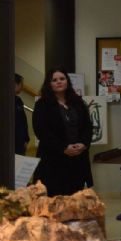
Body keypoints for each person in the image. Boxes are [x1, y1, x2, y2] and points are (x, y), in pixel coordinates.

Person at [33, 67, 93, 196]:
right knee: (54, 200)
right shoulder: (42, 104)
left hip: (77, 159)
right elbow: (41, 131)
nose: (59, 82)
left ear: (67, 81)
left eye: (62, 78)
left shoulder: (78, 102)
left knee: (75, 199)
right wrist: (63, 148)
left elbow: (87, 126)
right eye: (54, 80)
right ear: (49, 84)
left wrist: (84, 143)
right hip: (53, 160)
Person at [14, 74, 29, 155]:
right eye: (21, 84)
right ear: (15, 84)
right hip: (11, 142)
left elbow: (23, 120)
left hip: (20, 142)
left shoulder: (18, 100)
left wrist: (26, 139)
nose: (22, 87)